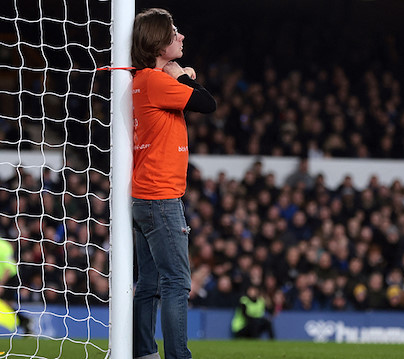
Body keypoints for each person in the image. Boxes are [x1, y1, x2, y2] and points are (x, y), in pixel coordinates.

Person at [130, 8, 216, 359]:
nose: (181, 37)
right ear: (158, 41)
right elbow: (207, 103)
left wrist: (180, 75)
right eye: (174, 32)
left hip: (145, 196)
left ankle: (143, 352)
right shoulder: (156, 81)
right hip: (161, 197)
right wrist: (182, 75)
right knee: (178, 284)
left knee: (150, 283)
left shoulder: (145, 80)